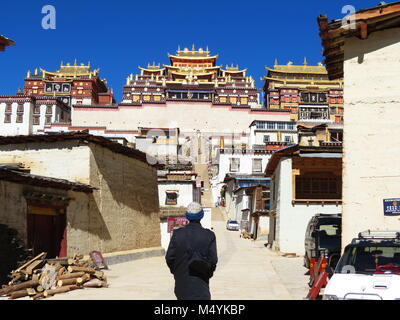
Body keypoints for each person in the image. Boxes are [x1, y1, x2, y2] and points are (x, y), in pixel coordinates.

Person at [165, 202, 218, 300]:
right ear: (201, 215)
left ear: (187, 216)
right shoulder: (209, 235)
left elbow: (169, 258)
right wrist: (207, 273)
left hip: (182, 286)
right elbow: (213, 260)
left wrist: (177, 271)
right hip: (201, 286)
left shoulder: (177, 235)